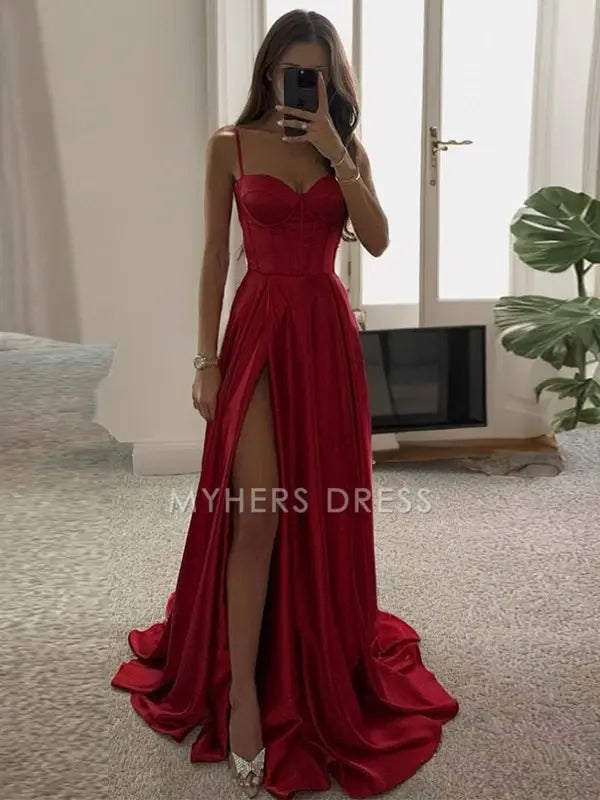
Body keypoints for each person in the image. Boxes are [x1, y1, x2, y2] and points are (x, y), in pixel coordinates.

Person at [111, 9, 459, 799]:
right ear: (267, 72)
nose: (304, 84)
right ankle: (241, 694)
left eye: (319, 75)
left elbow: (377, 241)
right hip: (259, 331)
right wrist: (205, 361)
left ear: (334, 81)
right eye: (291, 71)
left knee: (323, 508)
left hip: (324, 335)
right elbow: (214, 256)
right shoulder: (230, 145)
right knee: (259, 511)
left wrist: (338, 155)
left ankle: (311, 651)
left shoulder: (347, 149)